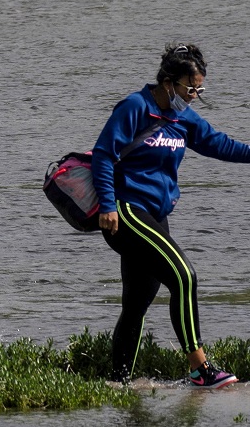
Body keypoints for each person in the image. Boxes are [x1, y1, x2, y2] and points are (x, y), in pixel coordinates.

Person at [92, 43, 250, 387]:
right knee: (184, 276)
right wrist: (107, 205)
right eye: (189, 88)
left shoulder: (183, 118)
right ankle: (200, 370)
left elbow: (219, 144)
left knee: (138, 300)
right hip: (125, 212)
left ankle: (119, 381)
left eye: (199, 89)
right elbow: (104, 155)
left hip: (155, 216)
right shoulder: (136, 107)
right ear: (168, 82)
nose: (194, 95)